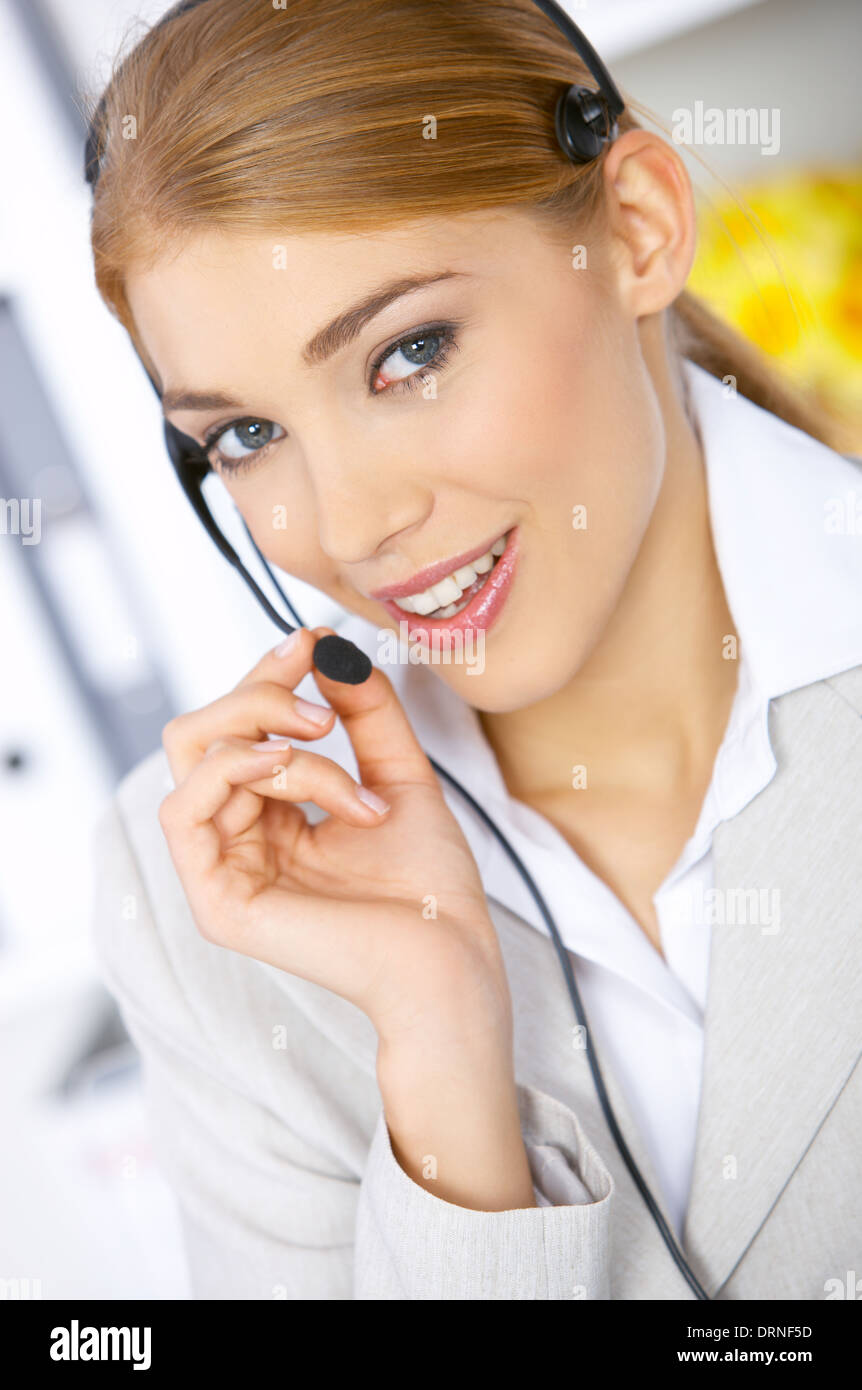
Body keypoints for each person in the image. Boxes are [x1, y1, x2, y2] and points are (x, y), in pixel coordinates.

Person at [87, 0, 862, 1299]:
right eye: (245, 436)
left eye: (409, 353)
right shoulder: (203, 892)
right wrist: (440, 1049)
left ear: (636, 228)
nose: (347, 525)